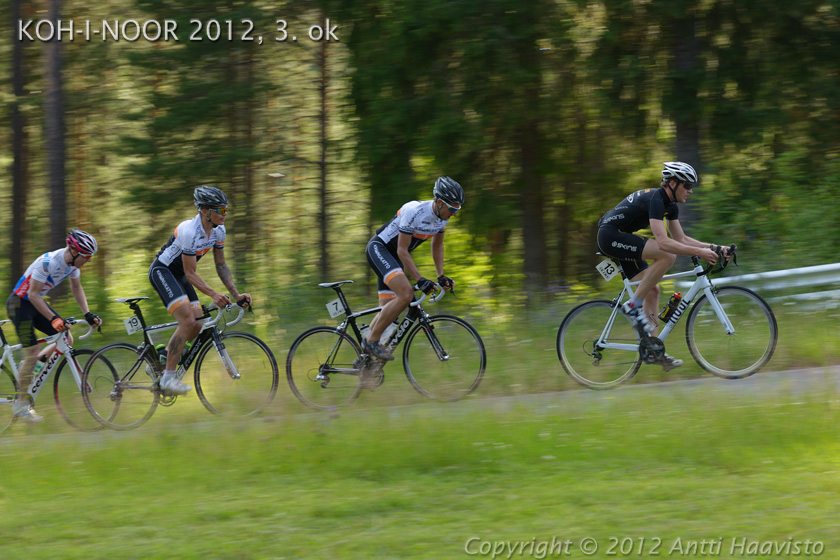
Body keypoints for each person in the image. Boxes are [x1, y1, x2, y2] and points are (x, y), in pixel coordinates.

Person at [596, 162, 730, 371]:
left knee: (653, 290)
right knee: (667, 255)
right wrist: (699, 252)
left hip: (619, 236)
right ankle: (632, 305)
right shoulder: (656, 200)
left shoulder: (670, 205)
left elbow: (681, 239)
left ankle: (654, 349)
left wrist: (715, 247)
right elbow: (663, 243)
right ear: (673, 183)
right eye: (687, 185)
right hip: (610, 236)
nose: (690, 191)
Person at [149, 186, 251, 395]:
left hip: (181, 275)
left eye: (226, 209)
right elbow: (190, 273)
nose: (225, 214)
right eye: (220, 210)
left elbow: (221, 265)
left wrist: (236, 295)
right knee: (187, 321)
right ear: (205, 211)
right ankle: (168, 379)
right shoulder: (189, 231)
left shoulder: (219, 231)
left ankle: (164, 357)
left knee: (198, 324)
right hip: (163, 271)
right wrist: (214, 294)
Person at [6, 228, 103, 422]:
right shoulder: (48, 262)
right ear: (74, 251)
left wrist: (87, 313)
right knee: (32, 351)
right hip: (19, 304)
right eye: (86, 256)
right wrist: (53, 319)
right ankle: (20, 405)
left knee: (66, 337)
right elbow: (33, 294)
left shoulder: (73, 265)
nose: (89, 260)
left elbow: (76, 287)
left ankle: (30, 367)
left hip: (34, 303)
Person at [362, 176, 463, 361]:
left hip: (394, 258)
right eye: (452, 209)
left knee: (389, 317)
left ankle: (364, 362)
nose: (455, 214)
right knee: (406, 295)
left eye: (458, 209)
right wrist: (420, 279)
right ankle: (371, 342)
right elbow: (402, 250)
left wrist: (440, 276)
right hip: (380, 249)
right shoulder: (414, 211)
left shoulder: (442, 218)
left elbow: (437, 245)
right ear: (439, 202)